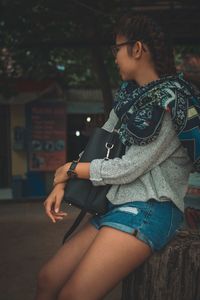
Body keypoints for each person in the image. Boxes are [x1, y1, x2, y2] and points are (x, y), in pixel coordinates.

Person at [36, 14, 193, 300]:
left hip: (150, 208)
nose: (115, 57)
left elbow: (129, 168)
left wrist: (69, 170)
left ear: (137, 49)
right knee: (47, 279)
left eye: (117, 48)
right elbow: (99, 144)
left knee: (74, 295)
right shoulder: (130, 97)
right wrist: (63, 180)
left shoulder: (171, 101)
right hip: (114, 206)